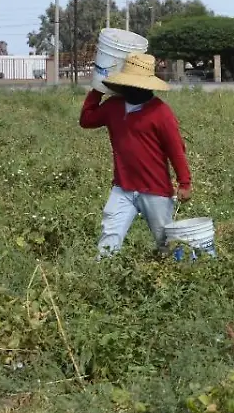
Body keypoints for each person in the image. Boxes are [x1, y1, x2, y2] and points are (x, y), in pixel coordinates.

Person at [79, 52, 192, 258]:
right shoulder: (113, 107)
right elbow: (87, 119)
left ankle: (176, 275)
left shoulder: (160, 112)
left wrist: (184, 183)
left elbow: (176, 149)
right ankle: (100, 279)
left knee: (165, 242)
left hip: (156, 190)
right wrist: (97, 89)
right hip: (122, 188)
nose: (132, 88)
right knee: (109, 236)